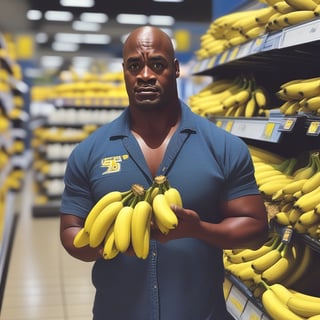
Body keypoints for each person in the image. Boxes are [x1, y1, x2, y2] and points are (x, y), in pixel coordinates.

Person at [60, 25, 269, 320]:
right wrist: (107, 244)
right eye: (135, 65)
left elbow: (256, 227)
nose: (145, 75)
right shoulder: (89, 152)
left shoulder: (223, 147)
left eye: (156, 64)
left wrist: (199, 230)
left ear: (176, 69)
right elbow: (71, 232)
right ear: (124, 71)